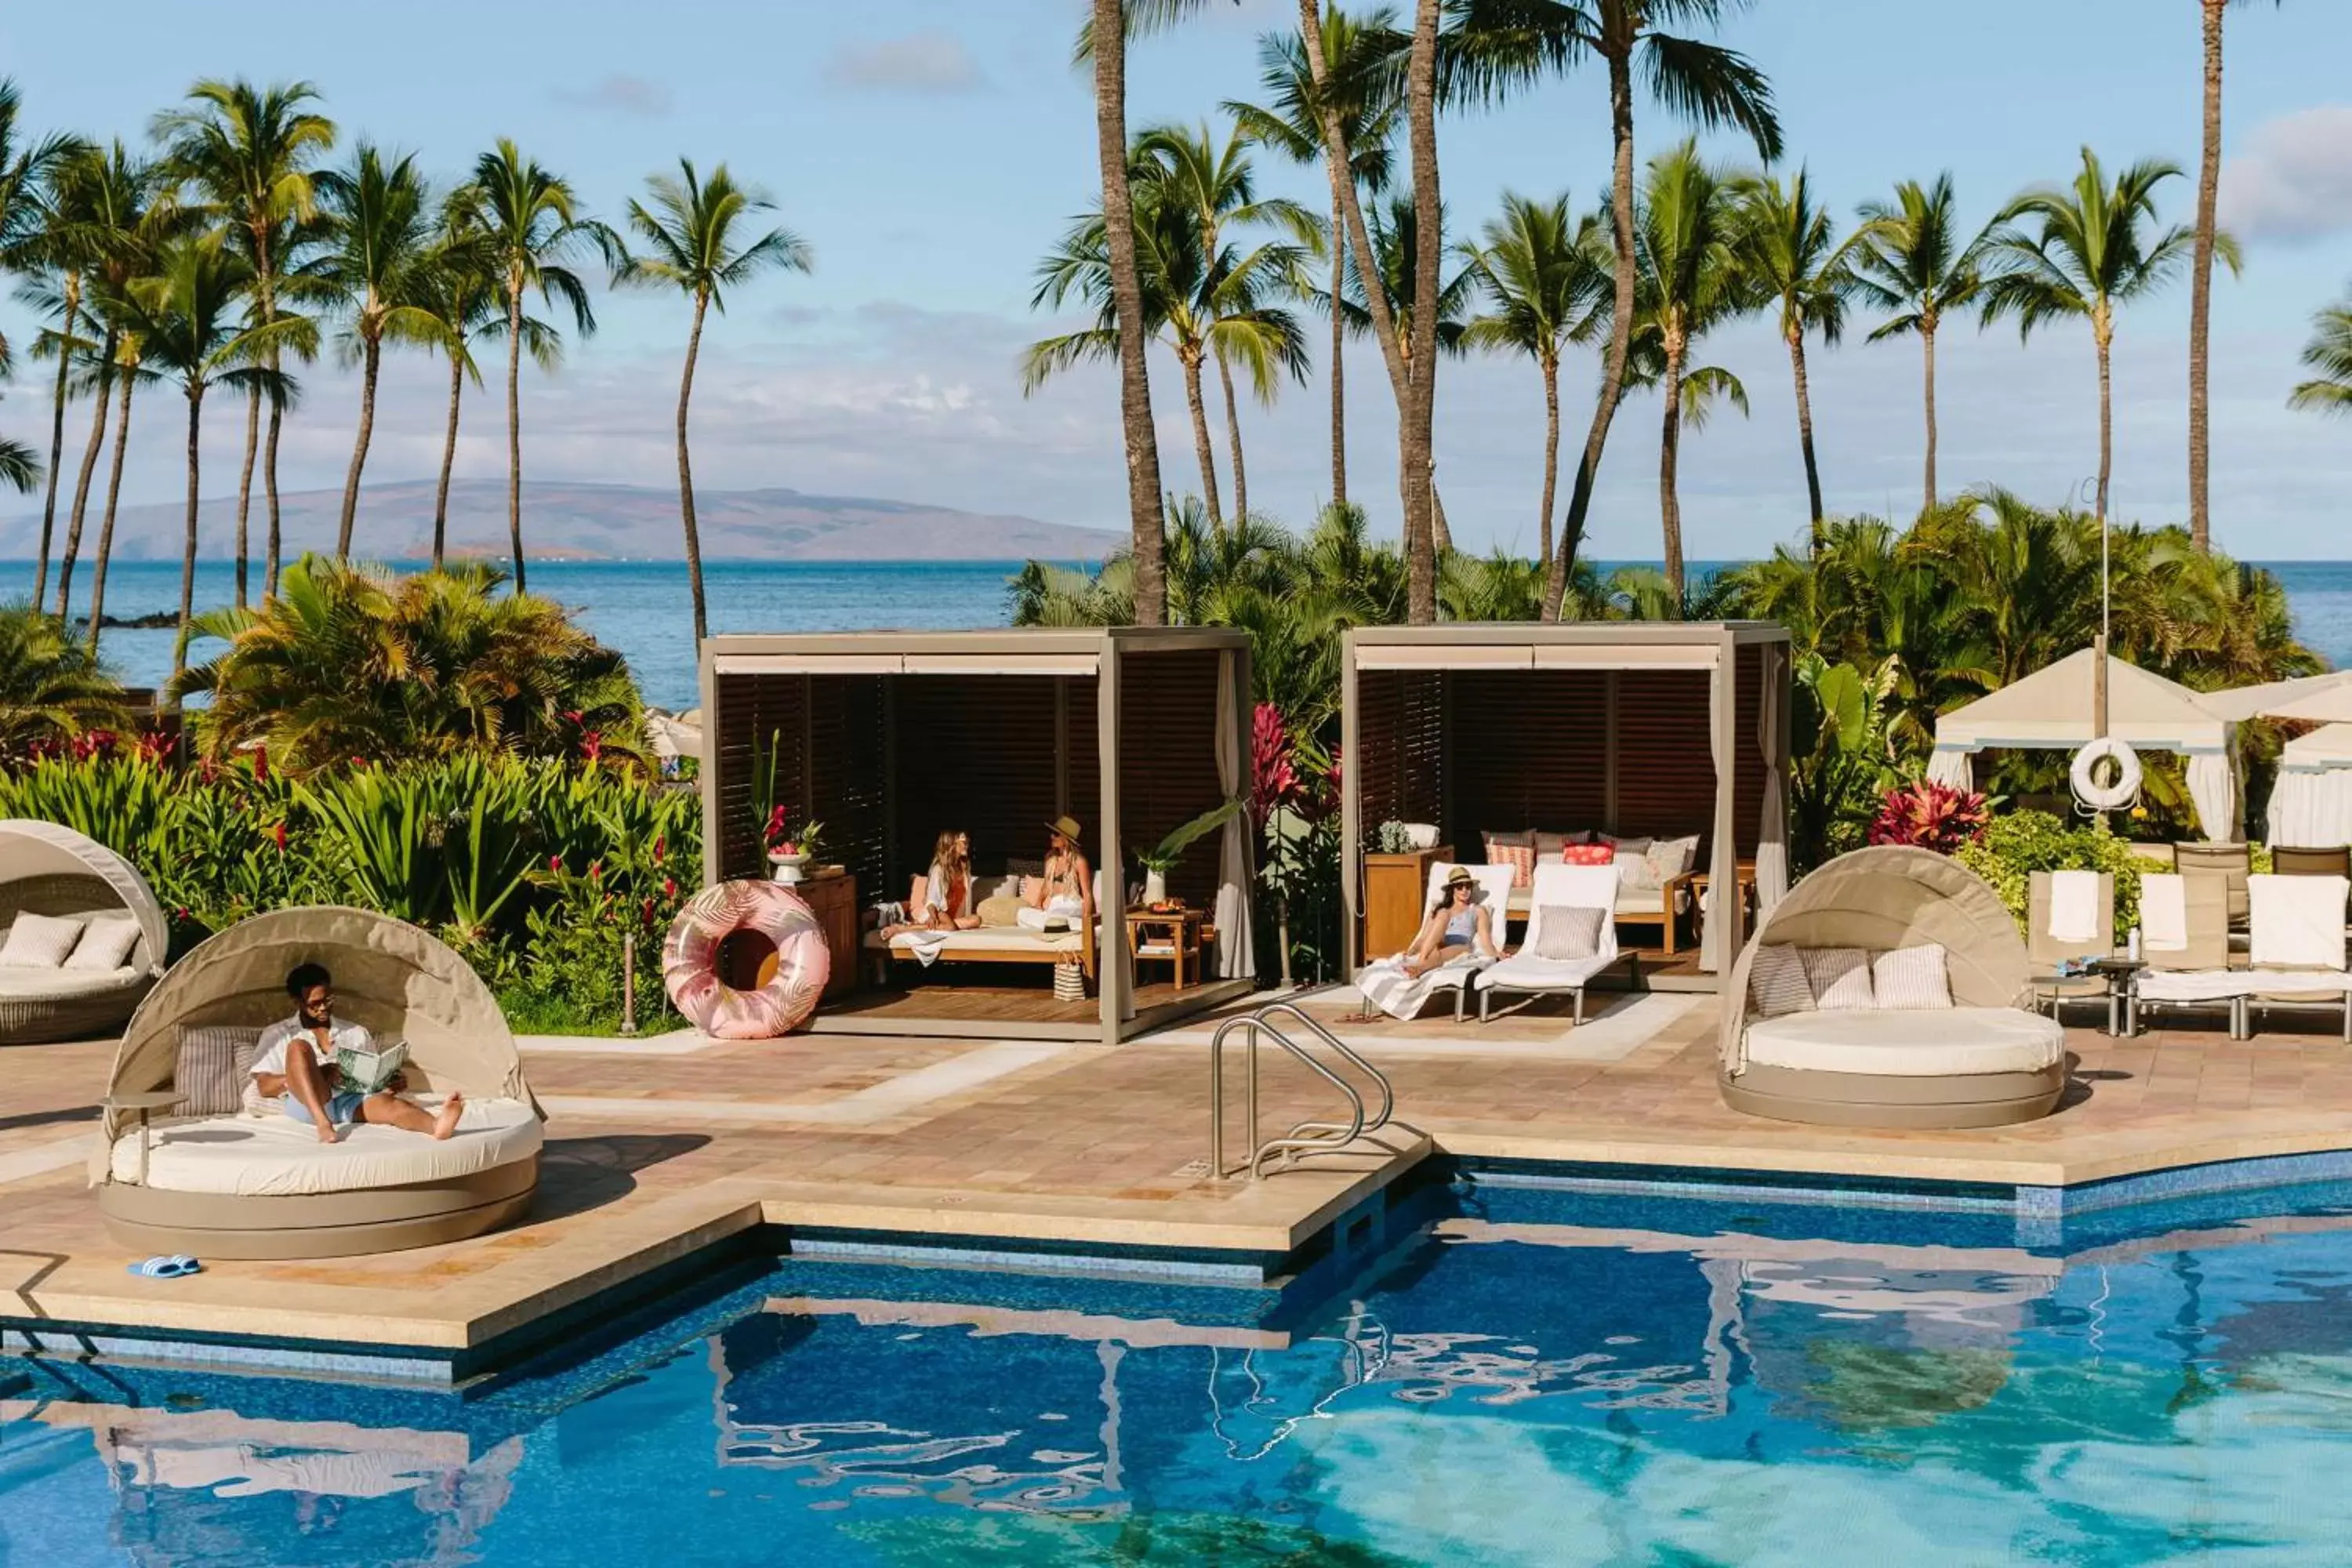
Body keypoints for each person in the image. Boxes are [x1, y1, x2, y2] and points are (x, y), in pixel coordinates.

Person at [251, 961, 466, 1145]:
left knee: (390, 1106)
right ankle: (323, 1123)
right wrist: (314, 1073)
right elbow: (264, 1086)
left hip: (349, 1099)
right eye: (315, 1005)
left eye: (328, 1000)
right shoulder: (279, 1033)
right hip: (308, 1104)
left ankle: (436, 1125)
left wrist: (388, 1082)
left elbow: (371, 1076)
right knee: (298, 1047)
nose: (323, 1008)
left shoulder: (355, 1032)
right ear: (298, 1003)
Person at [883, 829, 978, 938]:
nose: (967, 845)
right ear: (952, 844)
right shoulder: (939, 870)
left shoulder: (964, 870)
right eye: (964, 842)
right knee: (950, 927)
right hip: (939, 911)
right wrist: (933, 917)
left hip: (954, 917)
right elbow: (932, 900)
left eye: (967, 842)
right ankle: (903, 929)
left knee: (976, 920)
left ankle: (936, 926)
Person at [1021, 815, 1094, 933]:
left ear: (1066, 839)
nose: (1052, 837)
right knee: (1022, 913)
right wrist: (1038, 905)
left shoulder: (1079, 862)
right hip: (1053, 906)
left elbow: (1087, 893)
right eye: (1052, 833)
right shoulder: (1050, 858)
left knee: (1056, 912)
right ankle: (1059, 925)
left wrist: (1087, 919)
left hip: (1071, 903)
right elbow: (1046, 886)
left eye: (1056, 834)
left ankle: (1066, 924)